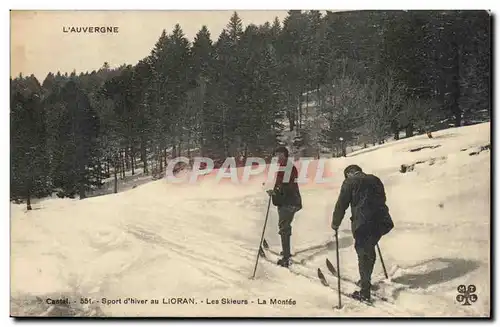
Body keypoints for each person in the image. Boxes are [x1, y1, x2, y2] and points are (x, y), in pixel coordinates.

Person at [331, 164, 394, 302]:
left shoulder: (349, 182)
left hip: (363, 223)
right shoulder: (375, 179)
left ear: (348, 173)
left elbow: (341, 204)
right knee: (369, 249)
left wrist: (335, 223)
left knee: (363, 253)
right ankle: (366, 280)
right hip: (381, 222)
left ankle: (365, 291)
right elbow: (382, 199)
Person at [266, 146, 302, 267]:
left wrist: (275, 192)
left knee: (284, 227)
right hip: (290, 200)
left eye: (279, 155)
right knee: (285, 226)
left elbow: (286, 186)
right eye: (276, 155)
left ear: (284, 155)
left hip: (288, 201)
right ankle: (285, 251)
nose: (277, 157)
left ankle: (286, 257)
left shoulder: (287, 166)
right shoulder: (285, 166)